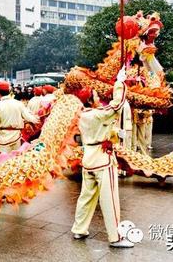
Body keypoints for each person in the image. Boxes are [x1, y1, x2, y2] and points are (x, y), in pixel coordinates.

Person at [71, 68, 134, 248]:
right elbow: (116, 105)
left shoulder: (83, 115)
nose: (99, 97)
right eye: (96, 95)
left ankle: (79, 229)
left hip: (88, 158)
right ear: (90, 99)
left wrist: (115, 132)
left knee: (86, 197)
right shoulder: (98, 114)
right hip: (102, 160)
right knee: (110, 199)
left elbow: (100, 128)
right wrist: (119, 83)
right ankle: (115, 237)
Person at [0, 81, 39, 153]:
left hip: (3, 139)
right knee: (15, 160)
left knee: (3, 161)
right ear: (9, 91)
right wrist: (39, 119)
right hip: (16, 137)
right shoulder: (19, 104)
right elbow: (30, 118)